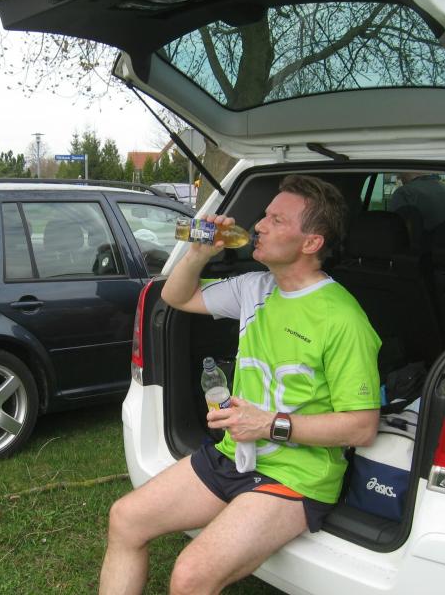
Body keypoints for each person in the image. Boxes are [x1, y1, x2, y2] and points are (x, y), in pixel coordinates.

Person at [98, 175, 381, 595]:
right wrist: (197, 254)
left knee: (190, 576)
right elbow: (176, 297)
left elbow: (361, 427)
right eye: (265, 215)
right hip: (236, 454)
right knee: (125, 518)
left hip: (296, 476)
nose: (260, 225)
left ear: (311, 243)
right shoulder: (255, 287)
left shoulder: (343, 319)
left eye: (277, 220)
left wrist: (268, 424)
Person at [388, 173, 445, 249]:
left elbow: (392, 234)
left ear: (407, 171)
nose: (398, 176)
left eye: (400, 173)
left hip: (420, 253)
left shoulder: (405, 193)